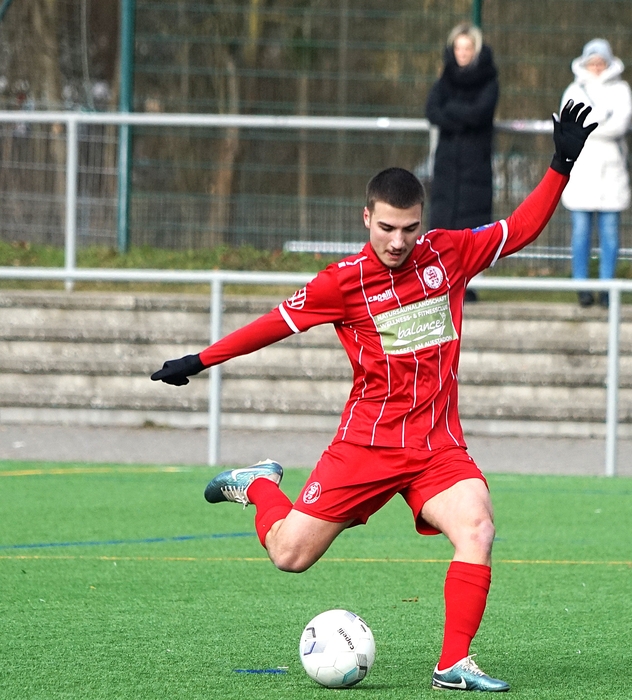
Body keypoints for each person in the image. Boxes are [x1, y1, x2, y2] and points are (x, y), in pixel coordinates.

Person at [150, 102, 597, 693]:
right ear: (367, 218)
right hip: (366, 445)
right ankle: (257, 484)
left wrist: (560, 166)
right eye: (386, 227)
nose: (398, 240)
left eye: (409, 228)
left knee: (478, 528)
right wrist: (200, 360)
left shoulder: (448, 254)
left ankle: (454, 664)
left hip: (437, 448)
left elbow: (520, 230)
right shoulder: (343, 282)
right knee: (289, 556)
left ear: (422, 221)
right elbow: (274, 324)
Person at [425, 22, 499, 303]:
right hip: (446, 166)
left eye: (467, 48)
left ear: (476, 50)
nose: (462, 53)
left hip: (475, 166)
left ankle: (468, 284)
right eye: (458, 47)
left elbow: (480, 113)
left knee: (472, 229)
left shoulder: (489, 80)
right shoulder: (445, 79)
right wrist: (462, 117)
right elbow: (432, 111)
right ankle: (440, 283)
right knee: (443, 226)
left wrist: (452, 113)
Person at [559, 38, 632, 308]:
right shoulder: (573, 89)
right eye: (593, 62)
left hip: (611, 174)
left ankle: (606, 288)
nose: (597, 67)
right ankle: (582, 287)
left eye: (601, 62)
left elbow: (620, 124)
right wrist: (603, 121)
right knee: (580, 233)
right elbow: (568, 124)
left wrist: (588, 127)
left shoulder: (622, 90)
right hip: (581, 172)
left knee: (610, 235)